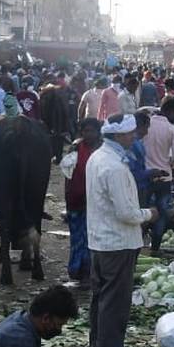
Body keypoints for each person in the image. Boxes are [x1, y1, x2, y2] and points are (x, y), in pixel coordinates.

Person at [86, 114, 158, 347]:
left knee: (100, 301)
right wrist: (149, 214)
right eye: (129, 133)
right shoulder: (113, 167)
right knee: (114, 305)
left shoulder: (98, 157)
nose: (134, 136)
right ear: (117, 136)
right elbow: (126, 213)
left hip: (101, 241)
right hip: (117, 243)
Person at [140, 97, 174, 254]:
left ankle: (136, 247)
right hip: (164, 179)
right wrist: (170, 163)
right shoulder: (172, 130)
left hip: (145, 177)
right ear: (171, 111)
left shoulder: (146, 125)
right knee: (161, 213)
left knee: (143, 212)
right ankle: (155, 248)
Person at [63, 118, 100, 287]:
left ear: (98, 132)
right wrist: (68, 196)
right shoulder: (76, 148)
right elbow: (68, 172)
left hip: (94, 201)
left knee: (89, 239)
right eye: (86, 131)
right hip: (76, 200)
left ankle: (87, 272)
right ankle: (77, 271)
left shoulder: (102, 149)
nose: (88, 134)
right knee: (77, 238)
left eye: (92, 131)